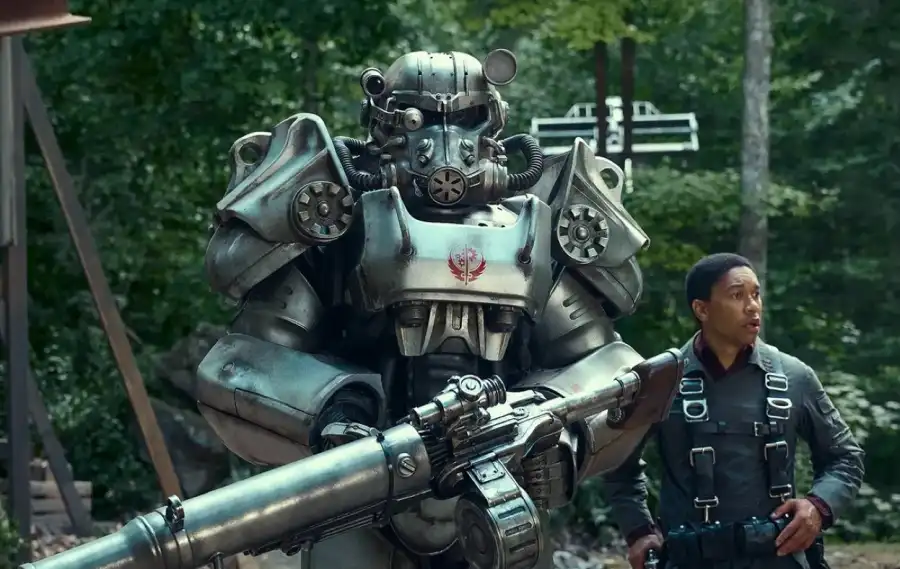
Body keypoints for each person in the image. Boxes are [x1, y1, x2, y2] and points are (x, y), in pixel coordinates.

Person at [602, 253, 865, 569]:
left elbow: (845, 457)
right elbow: (618, 466)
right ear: (702, 309)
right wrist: (639, 531)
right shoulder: (660, 381)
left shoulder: (795, 377)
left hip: (777, 557)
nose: (753, 306)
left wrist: (817, 507)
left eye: (756, 294)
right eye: (737, 295)